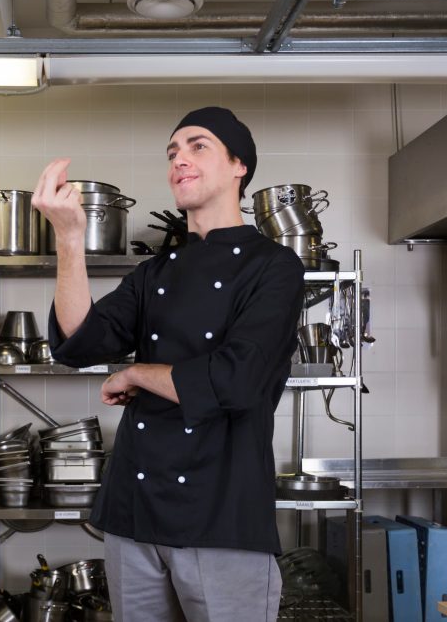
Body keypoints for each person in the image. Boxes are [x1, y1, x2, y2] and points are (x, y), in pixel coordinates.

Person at [31, 107, 304, 622]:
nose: (179, 159)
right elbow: (78, 342)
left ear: (239, 164)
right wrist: (69, 239)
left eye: (198, 146)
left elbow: (235, 381)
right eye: (172, 152)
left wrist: (135, 373)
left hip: (221, 514)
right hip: (132, 510)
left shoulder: (274, 267)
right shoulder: (155, 272)